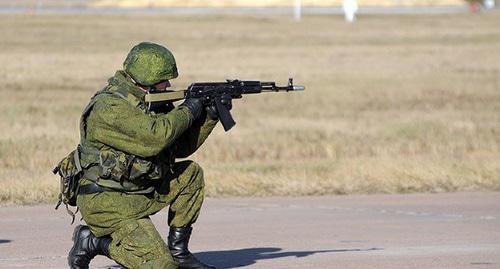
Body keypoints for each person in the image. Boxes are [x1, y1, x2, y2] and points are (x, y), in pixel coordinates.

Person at [65, 42, 226, 269]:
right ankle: (95, 241)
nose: (169, 84)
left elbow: (178, 148)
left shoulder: (149, 101)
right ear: (147, 78)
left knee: (190, 174)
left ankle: (179, 252)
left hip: (139, 189)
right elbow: (155, 138)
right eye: (164, 80)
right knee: (161, 266)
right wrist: (189, 109)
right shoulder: (109, 107)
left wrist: (209, 115)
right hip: (106, 200)